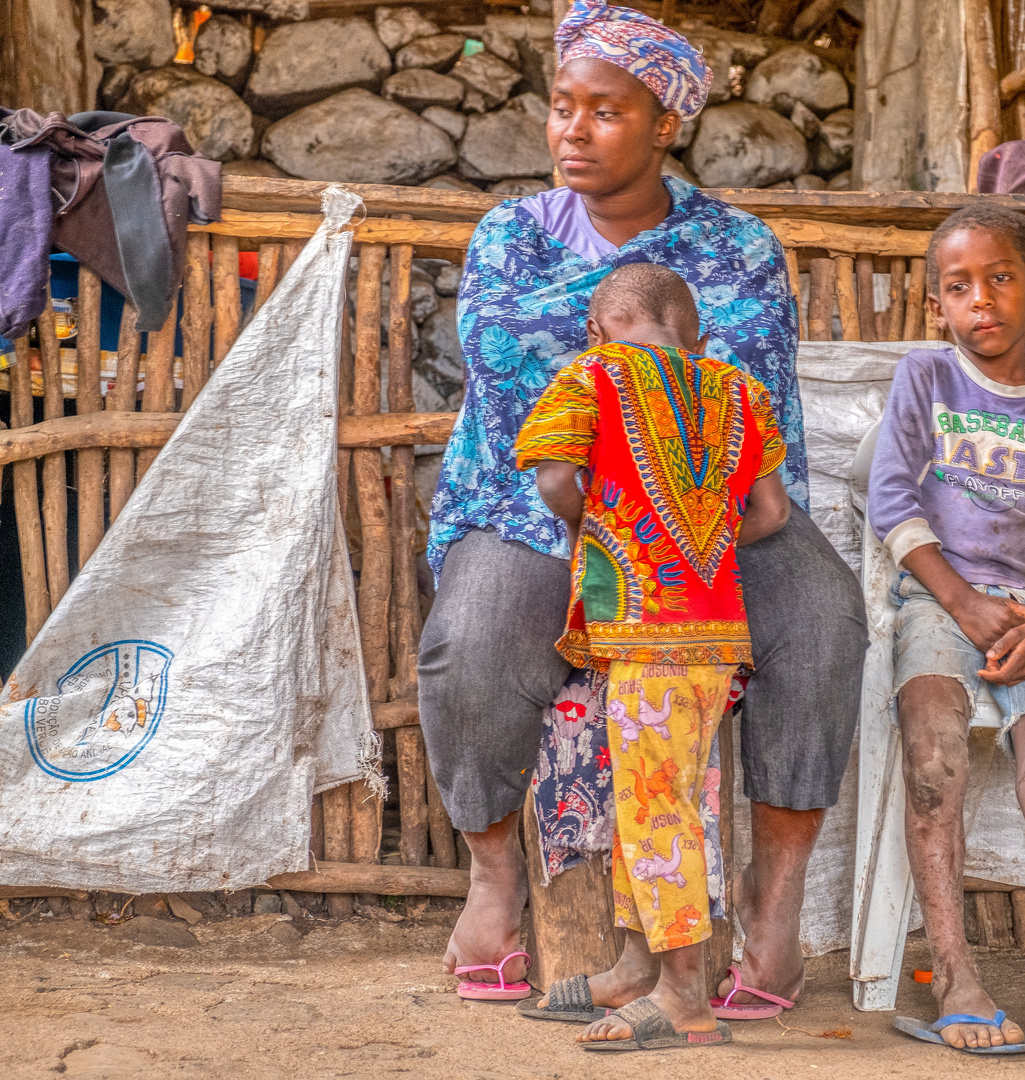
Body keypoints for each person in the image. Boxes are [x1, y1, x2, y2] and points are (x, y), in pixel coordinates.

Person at [419, 0, 866, 1019]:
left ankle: (772, 907)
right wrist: (661, 357)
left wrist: (602, 355)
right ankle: (494, 880)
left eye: (606, 110)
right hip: (544, 509)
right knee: (473, 640)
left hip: (716, 519)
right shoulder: (510, 234)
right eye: (562, 106)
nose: (572, 129)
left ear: (666, 122)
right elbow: (505, 370)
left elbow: (749, 392)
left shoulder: (739, 242)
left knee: (821, 621)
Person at [866, 204, 1025, 1072]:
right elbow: (893, 504)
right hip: (940, 602)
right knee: (933, 757)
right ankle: (959, 979)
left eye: (1002, 278)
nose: (984, 300)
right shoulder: (927, 381)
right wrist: (965, 604)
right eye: (960, 286)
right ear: (937, 304)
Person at [513, 263, 790, 1050]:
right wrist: (695, 544)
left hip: (641, 628)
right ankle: (636, 968)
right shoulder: (741, 392)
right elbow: (770, 512)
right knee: (662, 798)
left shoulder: (592, 373)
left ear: (598, 329)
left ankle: (683, 998)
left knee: (655, 808)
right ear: (695, 332)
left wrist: (606, 529)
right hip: (714, 637)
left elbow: (557, 480)